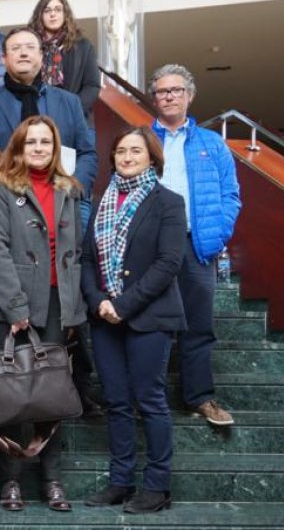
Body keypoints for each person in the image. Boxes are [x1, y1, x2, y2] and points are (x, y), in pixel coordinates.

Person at [0, 115, 86, 513]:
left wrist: (76, 309)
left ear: (55, 147)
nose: (39, 148)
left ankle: (52, 479)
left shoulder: (69, 189)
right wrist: (16, 307)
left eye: (46, 142)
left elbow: (75, 254)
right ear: (19, 148)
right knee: (11, 397)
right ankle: (10, 481)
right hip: (15, 304)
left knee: (52, 397)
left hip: (60, 304)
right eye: (31, 142)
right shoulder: (2, 188)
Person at [82, 126, 186, 515]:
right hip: (105, 319)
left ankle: (157, 487)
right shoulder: (101, 201)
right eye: (120, 151)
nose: (126, 157)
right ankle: (121, 481)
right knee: (117, 402)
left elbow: (168, 263)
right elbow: (87, 259)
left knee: (150, 401)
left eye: (135, 151)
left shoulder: (168, 202)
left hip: (150, 317)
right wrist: (97, 301)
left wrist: (123, 304)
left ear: (152, 157)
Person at [148, 63, 242, 426]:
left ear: (189, 96)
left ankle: (200, 397)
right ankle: (148, 396)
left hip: (196, 245)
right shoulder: (143, 139)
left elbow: (230, 195)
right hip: (153, 246)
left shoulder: (211, 143)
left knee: (198, 324)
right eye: (161, 91)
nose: (168, 96)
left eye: (176, 90)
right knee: (151, 323)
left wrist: (218, 234)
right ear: (154, 98)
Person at [0, 27, 97, 197]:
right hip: (6, 202)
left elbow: (87, 153)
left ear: (41, 57)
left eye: (30, 47)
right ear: (4, 59)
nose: (23, 53)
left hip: (64, 200)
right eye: (16, 48)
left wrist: (74, 189)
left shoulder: (69, 102)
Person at [29, 0, 100, 120]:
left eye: (58, 9)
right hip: (39, 118)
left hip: (76, 117)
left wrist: (71, 110)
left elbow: (92, 85)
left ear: (65, 14)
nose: (53, 14)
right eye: (47, 10)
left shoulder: (83, 46)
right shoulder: (30, 46)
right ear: (40, 16)